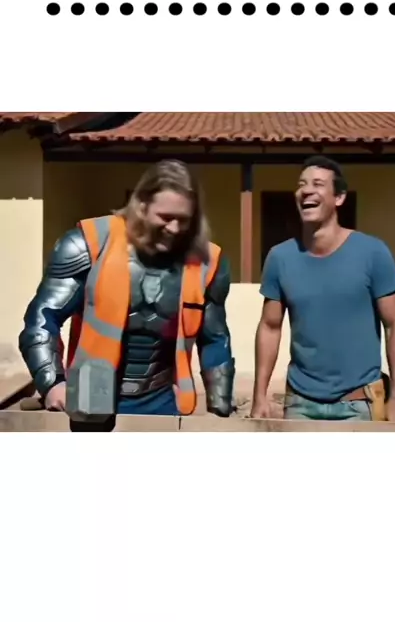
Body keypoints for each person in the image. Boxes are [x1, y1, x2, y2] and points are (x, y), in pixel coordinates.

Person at [19, 160, 235, 431]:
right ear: (141, 205)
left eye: (184, 219)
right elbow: (41, 320)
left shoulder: (206, 261)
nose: (174, 228)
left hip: (163, 404)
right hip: (89, 403)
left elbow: (215, 338)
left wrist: (219, 409)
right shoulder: (87, 244)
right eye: (165, 217)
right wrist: (52, 383)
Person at [251, 155, 395, 422]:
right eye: (301, 184)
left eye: (318, 184)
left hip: (360, 403)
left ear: (339, 197)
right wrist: (259, 396)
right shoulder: (280, 258)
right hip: (300, 404)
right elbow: (270, 327)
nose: (306, 190)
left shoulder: (373, 253)